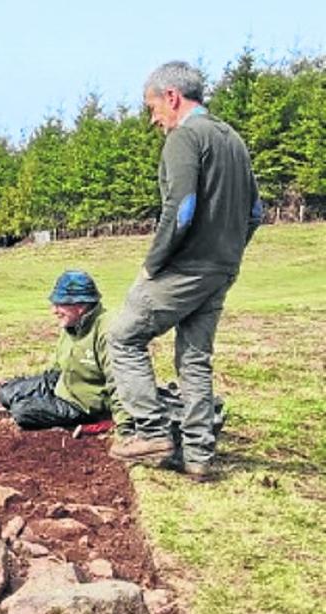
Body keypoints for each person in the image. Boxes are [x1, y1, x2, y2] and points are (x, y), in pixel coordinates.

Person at [108, 61, 262, 477]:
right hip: (222, 268)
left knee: (122, 337)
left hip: (185, 267)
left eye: (152, 106)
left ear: (172, 97)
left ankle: (151, 429)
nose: (153, 118)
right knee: (194, 359)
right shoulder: (233, 140)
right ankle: (198, 456)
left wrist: (153, 264)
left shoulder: (185, 138)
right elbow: (256, 212)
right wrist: (228, 252)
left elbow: (182, 210)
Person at [0, 270, 131, 432]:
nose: (54, 311)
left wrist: (124, 427)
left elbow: (121, 384)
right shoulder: (72, 324)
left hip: (84, 403)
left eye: (59, 304)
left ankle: (86, 423)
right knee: (6, 392)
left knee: (22, 411)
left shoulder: (108, 332)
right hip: (64, 381)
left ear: (80, 306)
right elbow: (58, 365)